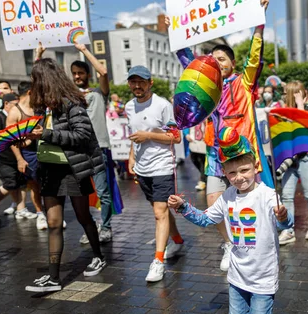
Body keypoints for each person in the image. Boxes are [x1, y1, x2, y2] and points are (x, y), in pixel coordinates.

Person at [167, 129, 304, 314]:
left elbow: (286, 224)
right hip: (237, 276)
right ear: (225, 175)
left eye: (244, 170)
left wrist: (284, 215)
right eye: (232, 173)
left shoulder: (267, 195)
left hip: (263, 276)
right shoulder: (228, 196)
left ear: (255, 166)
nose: (239, 178)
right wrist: (184, 207)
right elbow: (207, 219)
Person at [173, 0, 271, 272]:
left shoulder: (244, 82)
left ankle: (255, 248)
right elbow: (187, 61)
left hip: (243, 154)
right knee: (214, 202)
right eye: (213, 60)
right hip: (216, 153)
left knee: (251, 204)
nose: (217, 63)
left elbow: (255, 57)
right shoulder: (206, 87)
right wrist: (177, 31)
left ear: (232, 63)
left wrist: (259, 23)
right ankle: (229, 244)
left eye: (222, 59)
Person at [25, 58, 107, 292]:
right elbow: (45, 136)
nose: (33, 84)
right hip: (50, 171)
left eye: (36, 79)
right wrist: (31, 139)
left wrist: (48, 134)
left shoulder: (71, 103)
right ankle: (53, 278)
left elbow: (82, 136)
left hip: (73, 170)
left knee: (83, 216)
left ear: (45, 81)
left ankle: (98, 256)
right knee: (53, 223)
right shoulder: (42, 108)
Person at [125, 65, 184, 282]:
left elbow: (176, 138)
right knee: (161, 211)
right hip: (143, 167)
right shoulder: (129, 106)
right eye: (133, 81)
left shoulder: (162, 105)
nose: (137, 85)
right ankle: (177, 240)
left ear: (151, 83)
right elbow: (134, 135)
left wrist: (148, 135)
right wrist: (132, 156)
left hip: (162, 166)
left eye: (142, 81)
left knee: (159, 213)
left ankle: (158, 261)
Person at [62, 43, 114, 244]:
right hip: (78, 150)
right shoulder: (69, 96)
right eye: (74, 73)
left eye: (81, 73)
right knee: (82, 193)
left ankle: (106, 227)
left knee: (103, 192)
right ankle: (91, 227)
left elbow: (103, 71)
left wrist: (83, 50)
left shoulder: (99, 93)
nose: (77, 76)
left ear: (87, 74)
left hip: (98, 147)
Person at [278, 81, 308, 245]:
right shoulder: (283, 112)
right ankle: (288, 230)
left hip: (306, 158)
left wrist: (300, 105)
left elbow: (303, 130)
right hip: (289, 161)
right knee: (287, 196)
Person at [6, 81, 47, 228]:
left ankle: (54, 213)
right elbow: (11, 140)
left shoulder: (40, 108)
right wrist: (19, 159)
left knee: (49, 184)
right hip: (28, 154)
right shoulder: (15, 112)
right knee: (35, 186)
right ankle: (40, 214)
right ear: (30, 92)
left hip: (46, 148)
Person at [0, 93, 28, 220]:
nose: (17, 108)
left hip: (17, 155)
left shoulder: (18, 115)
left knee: (21, 183)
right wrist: (11, 133)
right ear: (6, 104)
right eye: (15, 105)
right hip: (2, 157)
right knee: (10, 183)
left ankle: (21, 209)